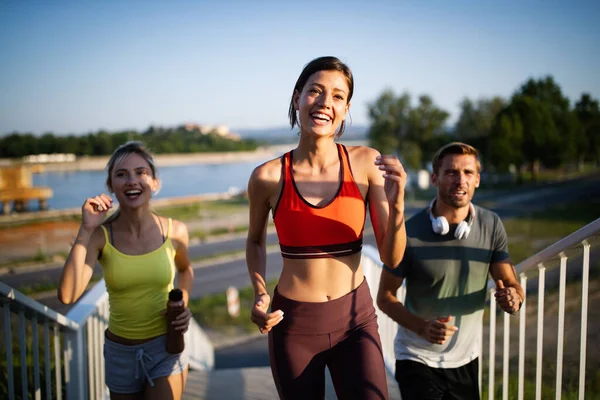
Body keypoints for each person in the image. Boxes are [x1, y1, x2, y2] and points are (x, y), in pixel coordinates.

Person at [245, 56, 407, 400]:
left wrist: (398, 204)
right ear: (297, 98)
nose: (324, 103)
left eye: (337, 96)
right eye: (315, 91)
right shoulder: (267, 177)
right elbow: (256, 242)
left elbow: (393, 257)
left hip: (355, 320)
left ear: (346, 109)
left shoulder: (365, 163)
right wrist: (259, 292)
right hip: (293, 325)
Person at [376, 142, 525, 400]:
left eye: (468, 173)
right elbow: (385, 297)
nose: (460, 180)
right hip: (416, 358)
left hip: (466, 359)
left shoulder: (491, 225)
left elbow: (511, 284)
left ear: (477, 179)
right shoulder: (408, 232)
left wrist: (514, 299)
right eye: (451, 172)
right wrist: (422, 327)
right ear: (435, 178)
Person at [57, 141, 194, 400]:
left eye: (141, 172)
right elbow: (67, 295)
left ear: (155, 183)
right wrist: (85, 230)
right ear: (111, 186)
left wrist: (183, 304)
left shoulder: (175, 231)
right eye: (122, 174)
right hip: (120, 353)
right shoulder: (100, 236)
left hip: (166, 348)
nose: (132, 180)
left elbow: (186, 270)